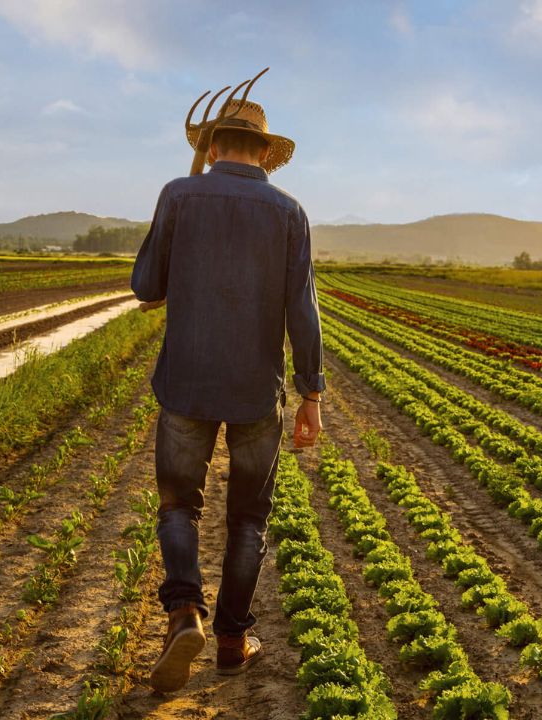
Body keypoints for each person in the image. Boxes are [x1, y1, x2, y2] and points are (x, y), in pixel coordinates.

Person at [131, 92, 324, 693]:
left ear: (211, 147)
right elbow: (303, 311)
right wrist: (311, 393)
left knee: (178, 505)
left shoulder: (178, 194)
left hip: (186, 382)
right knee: (248, 518)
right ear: (265, 152)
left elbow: (145, 286)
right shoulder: (289, 211)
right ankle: (233, 641)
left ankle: (184, 612)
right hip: (254, 392)